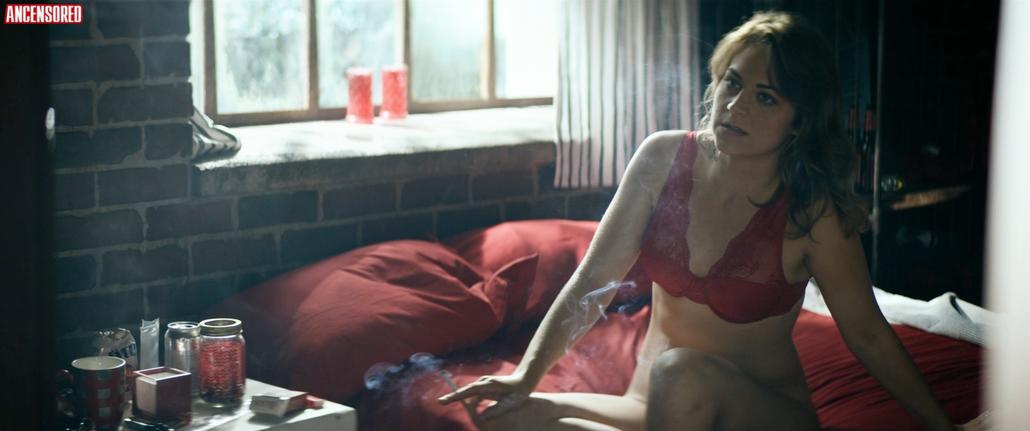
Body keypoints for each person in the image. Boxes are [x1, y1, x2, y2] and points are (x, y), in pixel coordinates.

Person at [440, 11, 985, 431]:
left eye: (765, 97)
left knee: (681, 371)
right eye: (732, 82)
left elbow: (867, 333)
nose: (736, 105)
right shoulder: (662, 158)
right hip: (650, 407)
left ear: (800, 122)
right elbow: (592, 280)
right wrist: (526, 376)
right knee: (504, 416)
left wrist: (945, 427)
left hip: (759, 416)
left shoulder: (811, 211)